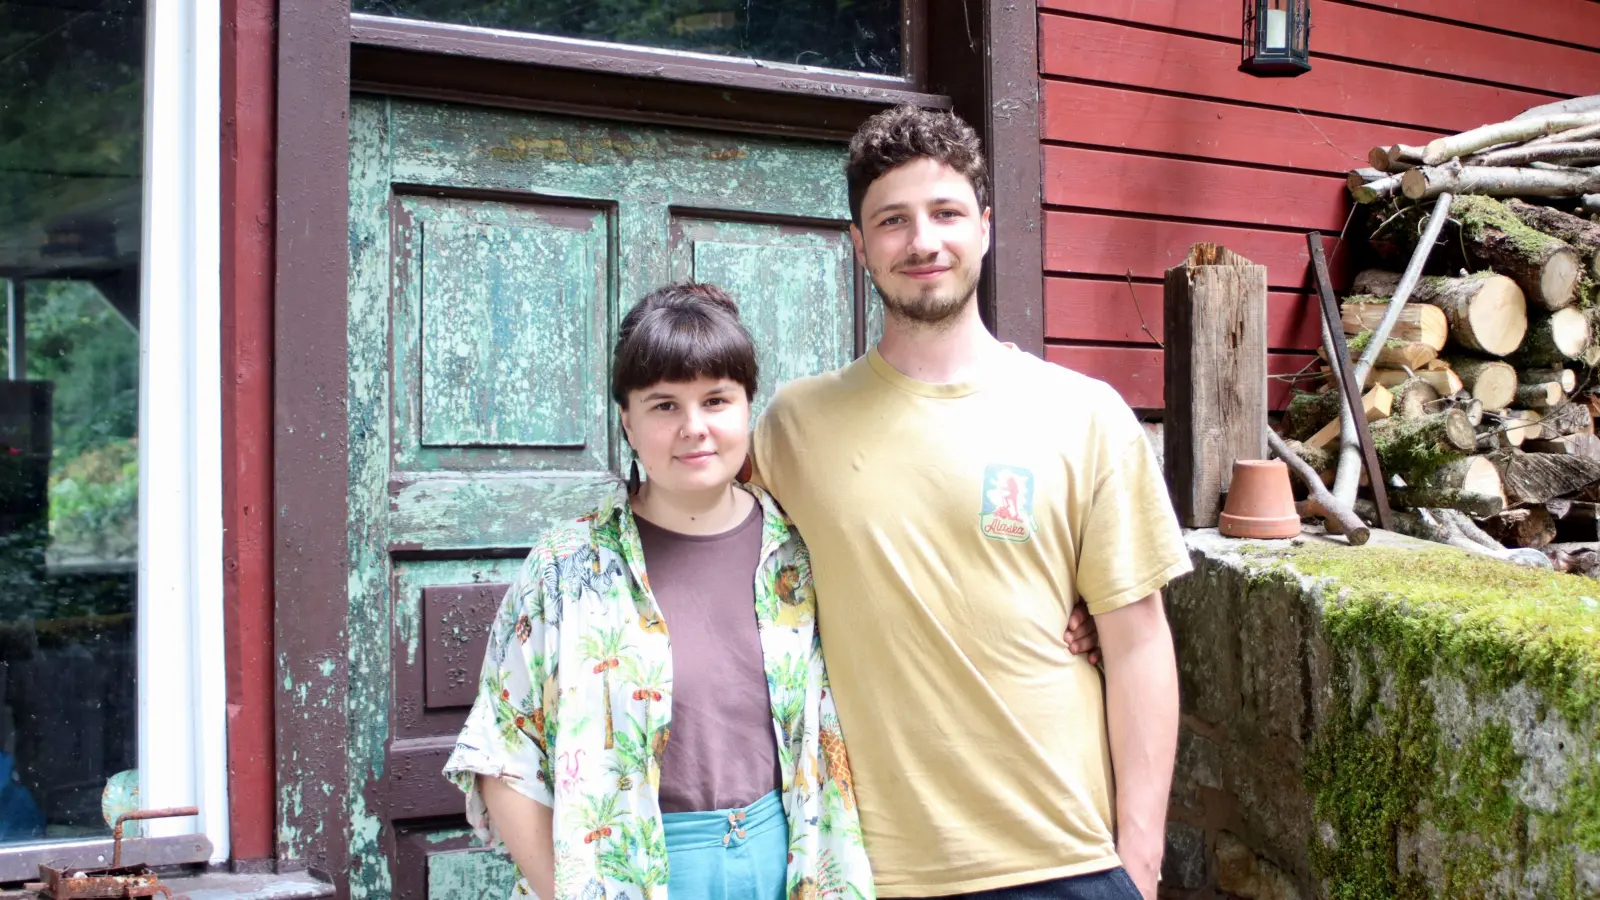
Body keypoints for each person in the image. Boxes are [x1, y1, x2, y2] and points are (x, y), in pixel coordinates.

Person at [748, 105, 1191, 900]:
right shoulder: (791, 427)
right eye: (892, 221)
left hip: (1067, 857)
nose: (923, 242)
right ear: (859, 246)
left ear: (984, 228)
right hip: (872, 867)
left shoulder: (1084, 416)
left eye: (946, 213)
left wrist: (1141, 862)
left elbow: (1137, 646)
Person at [442, 283, 874, 900]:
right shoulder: (568, 567)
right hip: (632, 871)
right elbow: (503, 755)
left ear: (748, 405)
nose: (694, 428)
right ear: (627, 419)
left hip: (792, 861)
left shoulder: (801, 550)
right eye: (665, 405)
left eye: (716, 400)